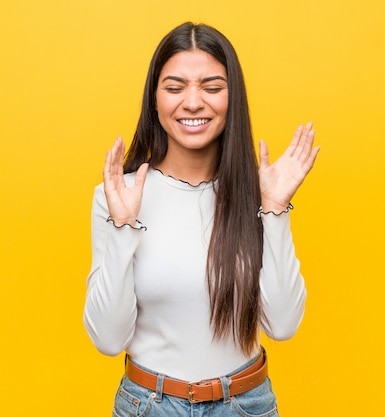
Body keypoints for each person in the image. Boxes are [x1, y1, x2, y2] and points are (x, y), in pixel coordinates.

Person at [84, 22, 319, 416]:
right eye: (175, 88)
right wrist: (124, 226)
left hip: (246, 404)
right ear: (154, 101)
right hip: (149, 405)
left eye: (212, 87)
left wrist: (275, 210)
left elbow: (283, 325)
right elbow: (108, 339)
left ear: (233, 98)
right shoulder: (118, 195)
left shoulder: (257, 192)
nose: (193, 103)